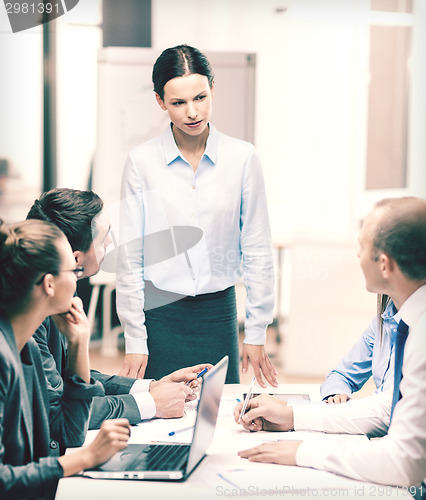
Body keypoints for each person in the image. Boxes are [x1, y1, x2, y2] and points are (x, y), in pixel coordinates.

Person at [235, 197, 426, 493]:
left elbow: (404, 461)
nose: (357, 256)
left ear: (385, 264)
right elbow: (389, 407)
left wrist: (303, 452)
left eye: (362, 248)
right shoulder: (408, 320)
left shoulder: (421, 333)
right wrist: (292, 416)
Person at [116, 44, 277, 387]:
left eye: (200, 97)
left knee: (218, 421)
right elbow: (131, 258)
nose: (192, 112)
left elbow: (258, 248)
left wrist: (257, 329)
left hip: (217, 315)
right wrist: (134, 338)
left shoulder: (242, 158)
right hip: (159, 317)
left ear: (213, 89)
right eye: (178, 102)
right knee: (158, 426)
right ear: (160, 101)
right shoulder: (142, 162)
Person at [27, 188, 211, 433]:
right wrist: (151, 404)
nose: (109, 242)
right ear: (75, 258)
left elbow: (67, 379)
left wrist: (149, 389)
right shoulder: (29, 318)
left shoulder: (54, 287)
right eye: (104, 236)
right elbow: (58, 413)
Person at [0, 218, 131, 499]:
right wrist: (84, 459)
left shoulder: (27, 351)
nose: (77, 277)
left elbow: (68, 433)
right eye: (72, 270)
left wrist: (79, 343)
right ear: (49, 284)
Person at [321, 293, 397, 403]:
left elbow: (387, 405)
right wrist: (336, 395)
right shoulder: (383, 320)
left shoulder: (419, 326)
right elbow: (342, 375)